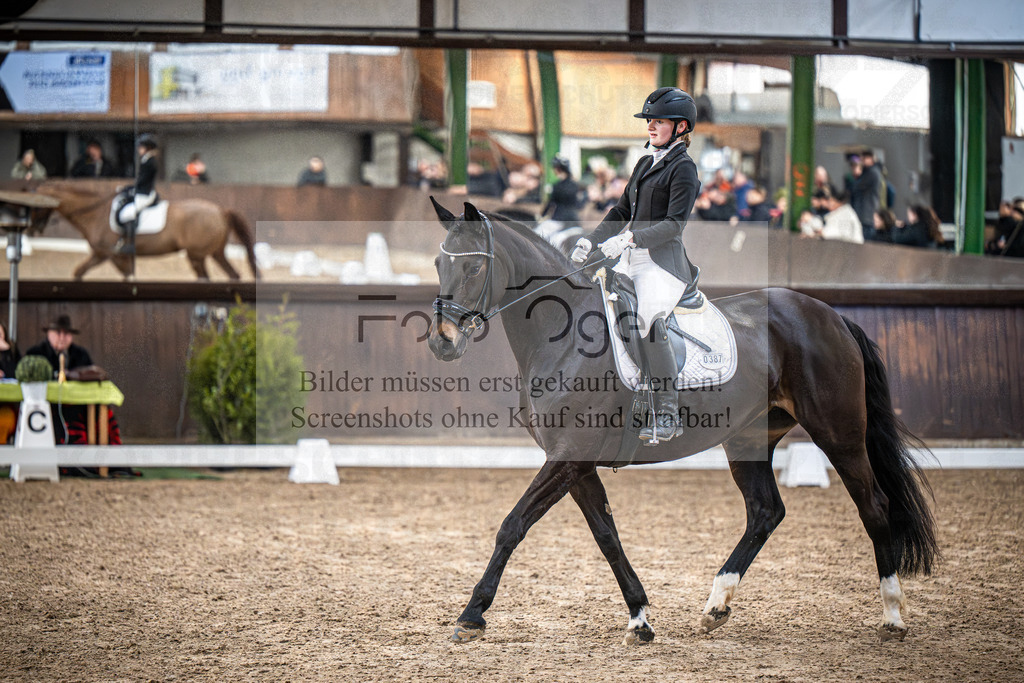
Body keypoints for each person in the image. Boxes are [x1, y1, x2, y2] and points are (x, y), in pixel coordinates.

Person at [570, 87, 702, 443]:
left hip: (663, 264)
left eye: (658, 121)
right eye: (649, 121)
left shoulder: (684, 169)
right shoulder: (646, 163)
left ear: (681, 127)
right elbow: (621, 211)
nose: (651, 126)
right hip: (630, 258)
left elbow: (674, 225)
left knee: (647, 319)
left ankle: (667, 413)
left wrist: (630, 239)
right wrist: (591, 239)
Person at [24, 315, 124, 459]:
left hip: (79, 407)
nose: (62, 337)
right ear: (49, 334)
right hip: (48, 407)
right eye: (58, 333)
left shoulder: (81, 354)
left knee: (101, 413)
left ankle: (101, 460)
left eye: (66, 334)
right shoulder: (35, 354)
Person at [115, 134, 160, 254]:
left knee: (127, 213)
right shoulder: (146, 160)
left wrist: (130, 189)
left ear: (147, 148)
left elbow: (143, 180)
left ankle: (131, 244)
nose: (139, 149)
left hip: (144, 194)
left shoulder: (150, 162)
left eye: (141, 147)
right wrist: (128, 188)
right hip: (142, 191)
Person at [540, 155, 582, 226]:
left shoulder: (557, 186)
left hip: (559, 219)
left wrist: (542, 215)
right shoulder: (575, 185)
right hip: (574, 219)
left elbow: (551, 203)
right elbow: (579, 204)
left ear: (557, 169)